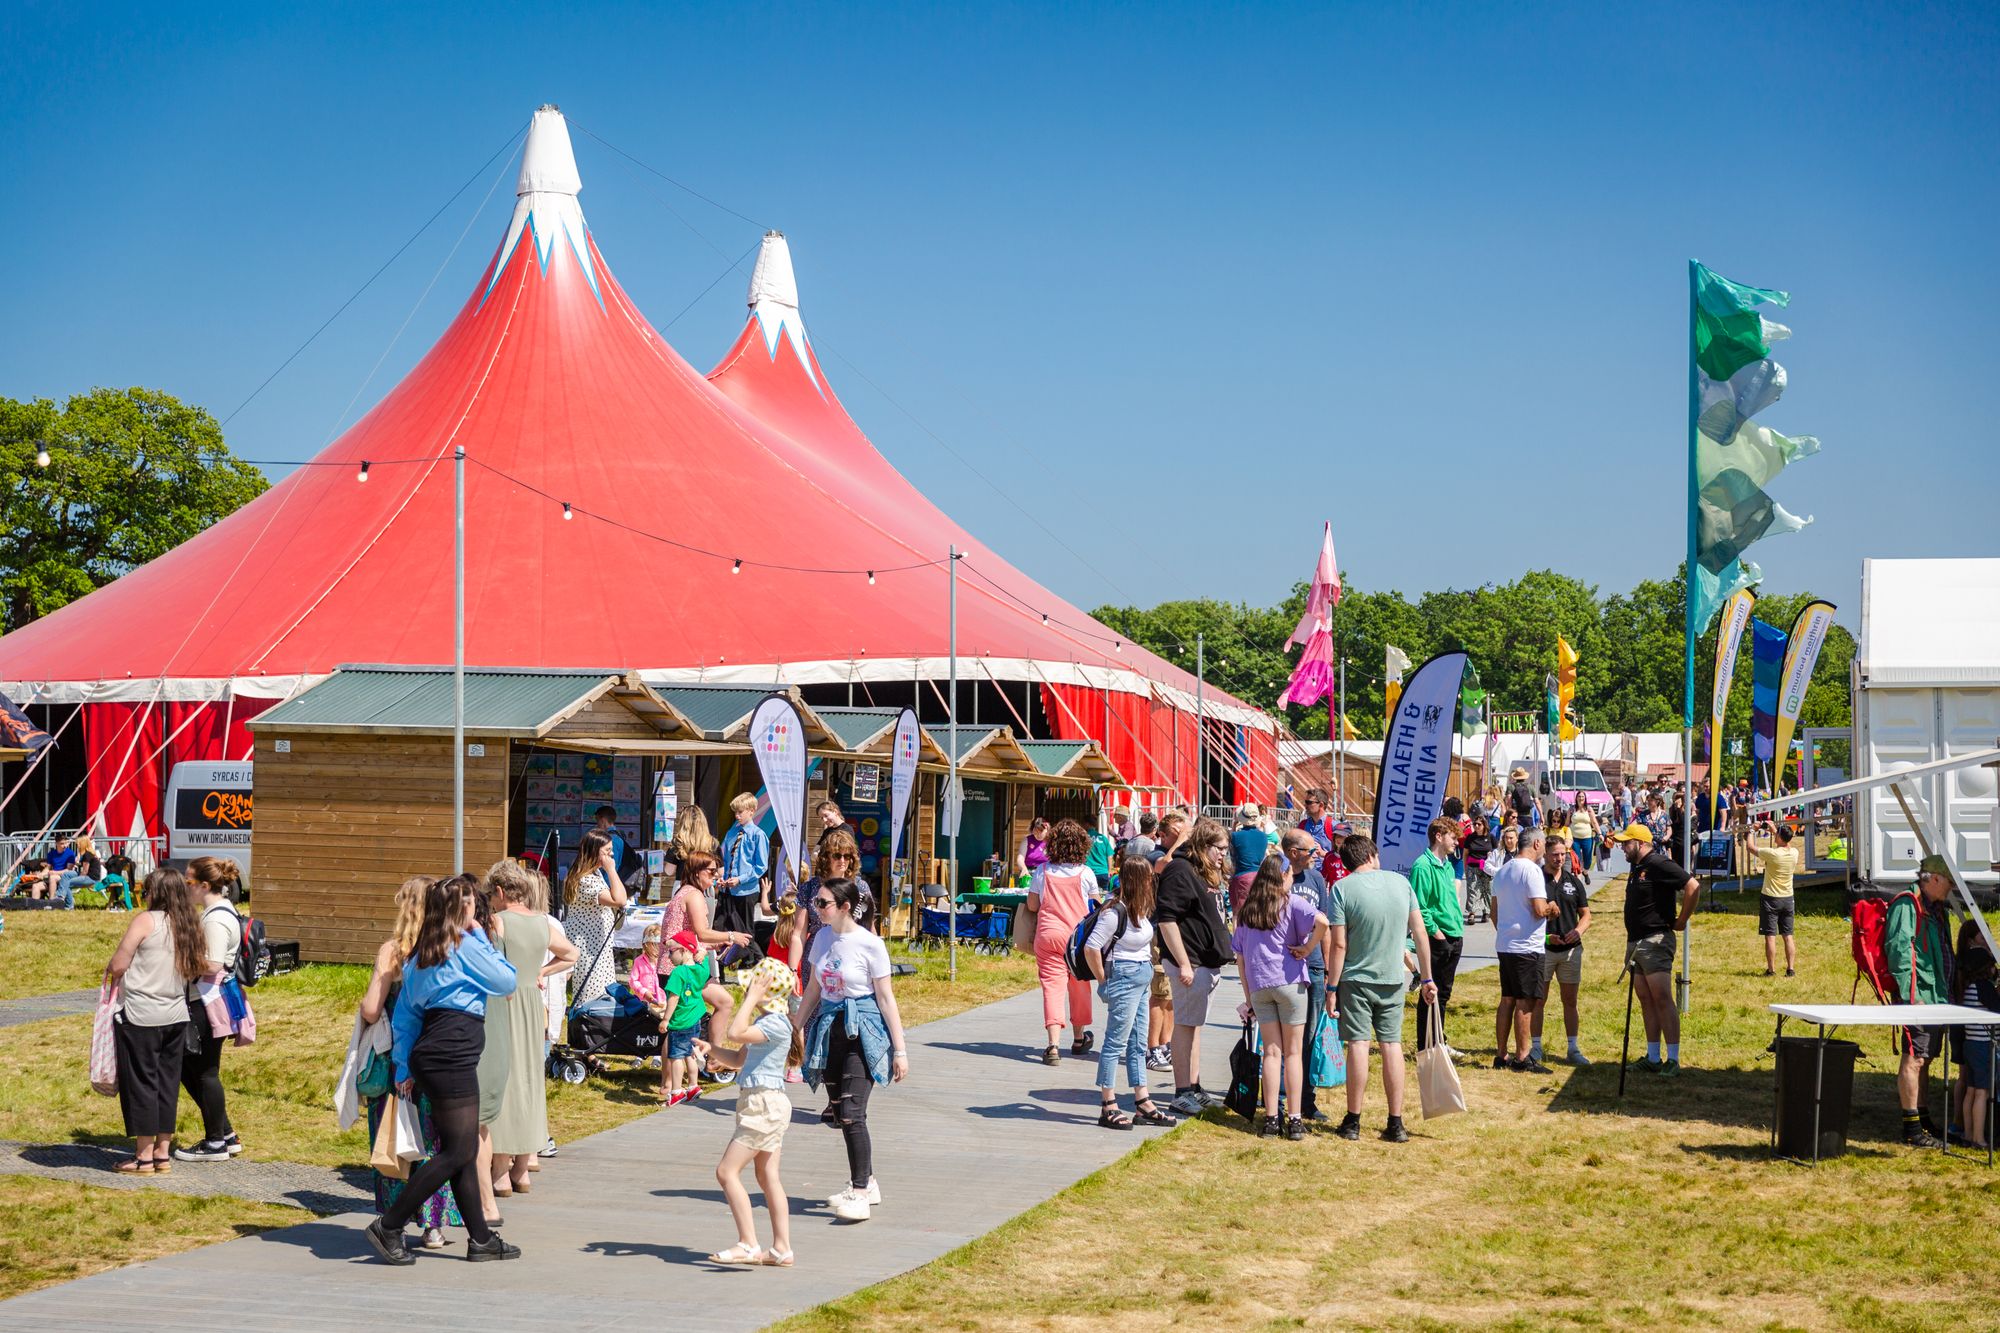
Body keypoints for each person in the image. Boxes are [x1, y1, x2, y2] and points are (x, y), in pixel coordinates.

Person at [366, 874, 519, 1265]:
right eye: (467, 902)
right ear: (458, 910)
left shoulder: (423, 952)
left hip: (435, 1054)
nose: (473, 907)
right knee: (459, 1150)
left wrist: (404, 1065)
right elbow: (506, 980)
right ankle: (390, 1225)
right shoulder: (463, 944)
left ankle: (481, 1239)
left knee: (459, 1149)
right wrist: (478, 933)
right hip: (451, 1054)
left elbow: (406, 1015)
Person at [799, 878, 910, 1222]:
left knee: (851, 1111)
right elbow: (814, 987)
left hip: (863, 1031)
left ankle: (859, 1192)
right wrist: (796, 1026)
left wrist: (900, 1050)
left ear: (845, 907)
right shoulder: (822, 937)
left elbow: (886, 999)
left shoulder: (870, 944)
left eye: (823, 903)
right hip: (830, 1028)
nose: (817, 909)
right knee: (838, 1112)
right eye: (816, 903)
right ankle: (868, 1181)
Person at [359, 877, 461, 1250]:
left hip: (395, 1062)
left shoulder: (393, 951)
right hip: (437, 1057)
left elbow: (372, 1009)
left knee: (395, 1138)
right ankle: (434, 1224)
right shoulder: (448, 948)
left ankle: (394, 1222)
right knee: (433, 1141)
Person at [1327, 835, 1437, 1143]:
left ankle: (1353, 1120)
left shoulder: (1341, 889)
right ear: (1371, 856)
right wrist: (1427, 978)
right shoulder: (1401, 884)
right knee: (1391, 1045)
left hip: (1356, 979)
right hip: (1392, 978)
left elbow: (1339, 944)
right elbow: (1420, 932)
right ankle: (1396, 1121)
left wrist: (1331, 987)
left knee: (1358, 1045)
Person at [480, 861, 575, 1195]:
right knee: (530, 1079)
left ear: (500, 891)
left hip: (504, 1003)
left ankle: (500, 1170)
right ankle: (522, 1169)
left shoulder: (498, 922)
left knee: (504, 1080)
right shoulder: (542, 922)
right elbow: (571, 954)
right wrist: (542, 972)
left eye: (491, 895)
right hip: (533, 1004)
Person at [103, 868, 200, 1175]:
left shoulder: (146, 921)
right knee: (167, 1084)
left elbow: (118, 964)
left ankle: (143, 1156)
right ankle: (162, 1154)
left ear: (155, 893)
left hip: (141, 1014)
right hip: (176, 1015)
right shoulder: (188, 923)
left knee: (142, 1084)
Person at [703, 964, 800, 1266]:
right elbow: (737, 1058)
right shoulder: (765, 1022)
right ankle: (781, 1249)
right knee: (767, 1176)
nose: (746, 991)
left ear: (766, 993)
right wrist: (711, 1049)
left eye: (752, 986)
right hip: (761, 1102)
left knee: (726, 1172)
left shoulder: (775, 1024)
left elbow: (735, 1032)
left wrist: (752, 998)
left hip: (763, 1105)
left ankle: (747, 1243)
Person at [1232, 855, 1329, 1140]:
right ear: (1283, 875)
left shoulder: (1248, 910)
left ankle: (1271, 1119)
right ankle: (1295, 1119)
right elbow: (1323, 922)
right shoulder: (1292, 902)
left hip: (1260, 986)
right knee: (1293, 1053)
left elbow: (1240, 958)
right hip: (1290, 983)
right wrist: (1307, 948)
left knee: (1271, 1053)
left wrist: (1248, 997)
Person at [1084, 856, 1176, 1129]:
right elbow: (1092, 947)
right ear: (1137, 880)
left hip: (1141, 978)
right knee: (1115, 1042)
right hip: (1123, 978)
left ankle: (1142, 1100)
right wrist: (1104, 981)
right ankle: (1108, 1104)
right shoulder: (1114, 912)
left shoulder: (1140, 910)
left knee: (1137, 1043)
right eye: (1148, 877)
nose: (1152, 882)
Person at [1155, 819, 1233, 1115]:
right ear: (1203, 845)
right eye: (1220, 848)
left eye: (1226, 849)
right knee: (1185, 1025)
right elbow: (1167, 919)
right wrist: (1184, 963)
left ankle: (1194, 1086)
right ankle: (1182, 1091)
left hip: (1206, 961)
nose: (1223, 854)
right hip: (1190, 962)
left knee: (1194, 1026)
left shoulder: (1203, 870)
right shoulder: (1180, 869)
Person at [171, 857, 246, 1162]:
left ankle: (216, 1142)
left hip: (207, 1001)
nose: (185, 887)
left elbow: (213, 964)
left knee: (204, 1072)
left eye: (188, 882)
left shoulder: (215, 919)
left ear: (204, 885)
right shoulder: (220, 912)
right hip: (210, 998)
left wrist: (178, 963)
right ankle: (225, 1134)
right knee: (192, 1068)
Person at [1608, 822, 1698, 1077]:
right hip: (1635, 942)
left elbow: (1692, 886)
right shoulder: (1637, 866)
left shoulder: (1658, 863)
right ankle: (1653, 1056)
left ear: (1640, 844)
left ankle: (1673, 1059)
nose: (1623, 848)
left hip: (1655, 940)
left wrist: (1682, 920)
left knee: (1661, 998)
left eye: (1626, 843)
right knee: (1646, 999)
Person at [1888, 855, 1957, 1148]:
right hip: (1919, 997)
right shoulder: (1908, 904)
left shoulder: (1937, 910)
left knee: (1926, 1058)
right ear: (1935, 878)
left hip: (1937, 995)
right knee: (1915, 1058)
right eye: (1950, 882)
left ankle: (1923, 1118)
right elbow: (1898, 950)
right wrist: (1909, 996)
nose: (1952, 888)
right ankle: (1911, 1128)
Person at [1028, 818, 1099, 1065]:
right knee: (1079, 986)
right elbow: (1096, 907)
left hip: (1049, 936)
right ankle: (1079, 1038)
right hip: (1077, 939)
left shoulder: (1042, 871)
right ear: (1082, 845)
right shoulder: (1086, 873)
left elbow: (1032, 905)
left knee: (1052, 988)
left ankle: (1053, 1045)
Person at [1491, 827, 1557, 1073]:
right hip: (1527, 946)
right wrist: (1552, 907)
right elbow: (1539, 910)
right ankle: (1522, 1056)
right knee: (1525, 1001)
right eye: (1544, 844)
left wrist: (1506, 931)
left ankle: (1501, 1054)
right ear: (1537, 844)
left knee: (1507, 998)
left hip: (1506, 944)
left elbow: (1494, 912)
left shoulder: (1503, 870)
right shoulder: (1532, 870)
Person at [1530, 833, 1592, 1067]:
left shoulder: (1573, 881)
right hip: (1543, 949)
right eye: (1555, 854)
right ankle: (1536, 1047)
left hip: (1570, 951)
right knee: (1538, 1000)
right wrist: (1547, 937)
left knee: (1570, 1000)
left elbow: (1586, 915)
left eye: (1563, 854)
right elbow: (1529, 915)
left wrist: (1578, 931)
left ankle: (1573, 1048)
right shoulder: (1537, 879)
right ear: (1545, 854)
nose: (1559, 858)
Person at [1409, 818, 1464, 1058]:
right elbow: (1419, 906)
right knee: (1431, 991)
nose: (1456, 842)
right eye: (1453, 837)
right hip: (1438, 937)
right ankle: (1427, 1045)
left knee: (1444, 993)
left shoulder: (1447, 865)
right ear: (1439, 836)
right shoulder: (1423, 866)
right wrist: (1436, 933)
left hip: (1454, 934)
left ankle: (1439, 1040)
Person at [560, 829, 627, 1009]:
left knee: (602, 995)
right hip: (589, 948)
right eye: (607, 851)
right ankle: (585, 1023)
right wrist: (611, 870)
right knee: (591, 997)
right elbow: (620, 900)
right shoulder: (585, 880)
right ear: (594, 851)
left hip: (597, 946)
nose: (611, 855)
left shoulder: (594, 874)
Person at [1951, 920, 1998, 1151]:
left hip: (1970, 1045)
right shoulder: (1983, 987)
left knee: (1971, 1090)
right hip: (1983, 1046)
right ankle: (1979, 1138)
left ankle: (1968, 1133)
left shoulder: (1968, 987)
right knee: (1982, 1092)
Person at [658, 930, 710, 1104]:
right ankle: (693, 1086)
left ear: (684, 950)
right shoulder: (701, 969)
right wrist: (702, 952)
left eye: (671, 952)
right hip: (695, 1018)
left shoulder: (678, 973)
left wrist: (666, 1019)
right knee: (689, 1054)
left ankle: (676, 1091)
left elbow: (673, 998)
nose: (668, 956)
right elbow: (704, 955)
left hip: (680, 1021)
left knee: (676, 1057)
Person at [1746, 820, 1802, 976]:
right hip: (1788, 898)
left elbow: (1750, 847)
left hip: (1770, 898)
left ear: (1780, 838)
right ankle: (1790, 969)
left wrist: (1752, 830)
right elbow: (1785, 842)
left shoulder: (1772, 854)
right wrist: (1775, 831)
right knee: (1788, 936)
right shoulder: (1794, 853)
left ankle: (1771, 970)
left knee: (1770, 937)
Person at [718, 794, 771, 934]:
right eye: (735, 812)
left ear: (751, 811)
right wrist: (721, 877)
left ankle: (752, 950)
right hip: (726, 890)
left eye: (740, 812)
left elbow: (761, 866)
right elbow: (725, 860)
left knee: (745, 932)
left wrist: (740, 879)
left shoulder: (758, 835)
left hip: (746, 891)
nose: (737, 816)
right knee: (722, 929)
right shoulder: (731, 833)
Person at [1227, 804, 1269, 916]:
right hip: (1258, 876)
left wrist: (1234, 826)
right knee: (1256, 912)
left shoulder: (1235, 836)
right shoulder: (1263, 837)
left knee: (1238, 914)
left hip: (1241, 876)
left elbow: (1232, 855)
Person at [1461, 808, 1495, 925]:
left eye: (1479, 824)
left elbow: (1496, 852)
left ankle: (1486, 912)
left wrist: (1492, 857)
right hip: (1472, 867)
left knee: (1486, 890)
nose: (1476, 826)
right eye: (1475, 824)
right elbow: (1465, 853)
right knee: (1472, 890)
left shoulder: (1490, 837)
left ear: (1484, 825)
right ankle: (1472, 913)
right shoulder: (1470, 837)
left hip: (1486, 868)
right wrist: (1465, 868)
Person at [1013, 816, 1051, 884]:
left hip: (1046, 874)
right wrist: (1023, 868)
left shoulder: (1050, 842)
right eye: (1036, 831)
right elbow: (1020, 858)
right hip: (1029, 873)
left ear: (1046, 829)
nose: (1038, 834)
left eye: (1041, 831)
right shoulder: (1027, 840)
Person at [1569, 804, 1598, 883]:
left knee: (1588, 860)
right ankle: (1578, 880)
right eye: (1579, 797)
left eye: (1582, 797)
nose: (1581, 798)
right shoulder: (1572, 809)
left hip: (1587, 837)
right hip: (1575, 838)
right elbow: (1567, 822)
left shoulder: (1589, 809)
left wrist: (1600, 833)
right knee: (1576, 859)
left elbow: (1594, 822)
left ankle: (1585, 873)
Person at [1084, 822, 1117, 888]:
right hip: (1103, 872)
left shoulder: (1083, 838)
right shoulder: (1103, 838)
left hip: (1088, 872)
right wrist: (1109, 870)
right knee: (1104, 893)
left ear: (1087, 824)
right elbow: (1110, 856)